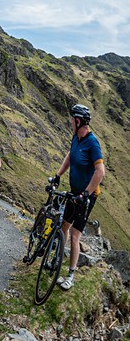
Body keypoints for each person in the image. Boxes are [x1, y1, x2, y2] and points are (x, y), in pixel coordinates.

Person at [52, 104, 105, 291]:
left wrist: (86, 193)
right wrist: (58, 175)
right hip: (75, 192)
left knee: (75, 235)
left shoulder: (92, 143)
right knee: (64, 226)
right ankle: (58, 261)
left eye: (71, 120)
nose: (69, 123)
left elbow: (100, 172)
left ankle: (71, 275)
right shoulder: (77, 138)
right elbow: (70, 156)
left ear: (78, 121)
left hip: (87, 197)